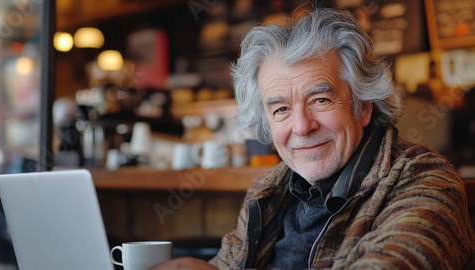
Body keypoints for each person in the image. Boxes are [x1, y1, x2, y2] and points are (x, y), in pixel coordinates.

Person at [151, 7, 475, 269]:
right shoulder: (266, 193)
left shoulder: (425, 181)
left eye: (320, 100)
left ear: (363, 107)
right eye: (280, 109)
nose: (302, 126)